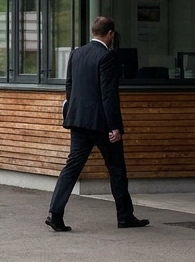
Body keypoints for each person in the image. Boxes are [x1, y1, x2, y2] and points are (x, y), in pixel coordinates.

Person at [46, 16, 150, 231]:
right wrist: (114, 127)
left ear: (94, 31)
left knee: (71, 168)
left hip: (78, 121)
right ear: (110, 34)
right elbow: (108, 94)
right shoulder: (107, 57)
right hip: (101, 124)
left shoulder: (77, 53)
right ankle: (125, 217)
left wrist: (72, 113)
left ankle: (55, 213)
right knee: (116, 169)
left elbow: (69, 86)